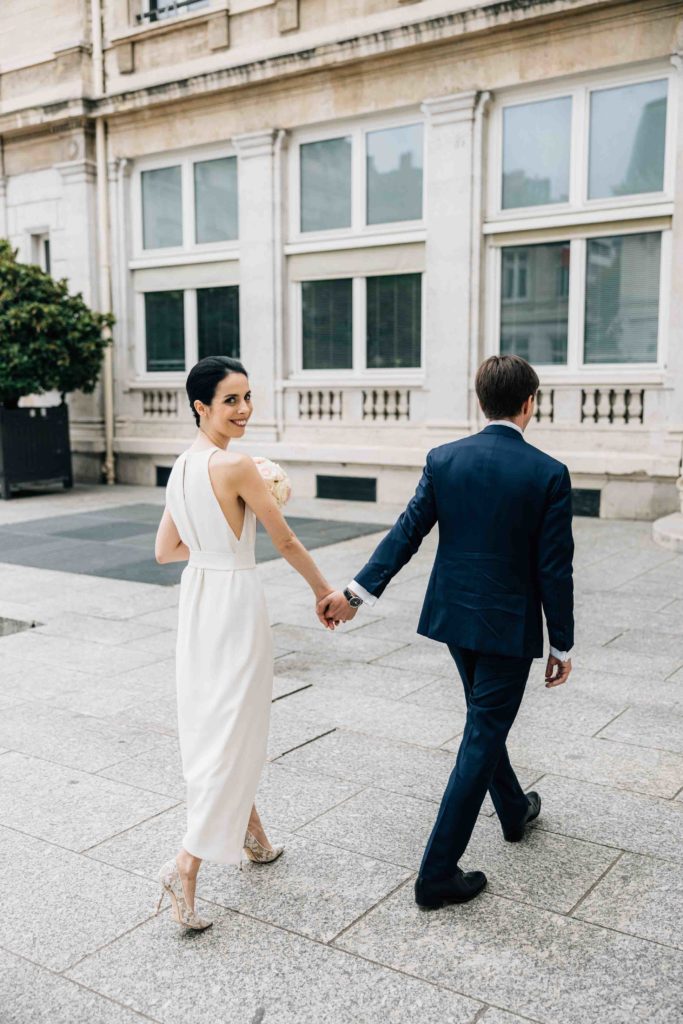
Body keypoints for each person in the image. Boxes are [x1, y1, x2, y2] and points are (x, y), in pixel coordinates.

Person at [319, 354, 574, 910]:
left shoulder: (445, 459)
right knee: (483, 731)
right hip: (507, 626)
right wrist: (562, 642)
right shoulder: (549, 473)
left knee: (485, 719)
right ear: (530, 403)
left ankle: (514, 810)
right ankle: (436, 874)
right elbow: (555, 566)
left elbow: (406, 533)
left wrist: (355, 595)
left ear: (480, 401)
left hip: (455, 618)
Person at [154, 355, 335, 931]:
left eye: (248, 396)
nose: (244, 409)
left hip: (198, 600)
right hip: (233, 602)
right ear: (201, 406)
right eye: (231, 400)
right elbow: (285, 541)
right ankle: (185, 865)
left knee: (219, 722)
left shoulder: (181, 467)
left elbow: (165, 551)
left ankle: (253, 837)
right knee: (239, 726)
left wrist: (213, 547)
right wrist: (324, 591)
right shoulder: (235, 467)